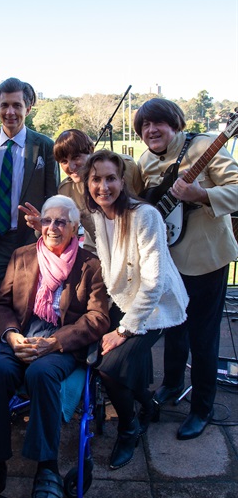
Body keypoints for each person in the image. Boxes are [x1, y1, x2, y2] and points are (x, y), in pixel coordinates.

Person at [0, 195, 110, 498]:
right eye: (47, 220)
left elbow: (98, 317)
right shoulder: (23, 256)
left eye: (61, 221)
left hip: (61, 343)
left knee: (41, 375)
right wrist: (12, 335)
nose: (52, 228)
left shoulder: (90, 265)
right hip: (23, 335)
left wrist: (56, 342)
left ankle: (47, 470)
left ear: (74, 227)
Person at [133, 99, 238, 440]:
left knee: (203, 337)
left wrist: (202, 194)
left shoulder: (205, 146)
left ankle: (202, 407)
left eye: (158, 123)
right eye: (145, 126)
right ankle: (172, 384)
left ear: (174, 124)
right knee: (174, 328)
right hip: (169, 261)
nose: (151, 130)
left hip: (206, 259)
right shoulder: (146, 160)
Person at [83, 150, 189, 469]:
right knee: (96, 355)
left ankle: (129, 429)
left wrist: (123, 330)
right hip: (124, 300)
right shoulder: (100, 216)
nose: (104, 186)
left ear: (123, 180)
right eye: (96, 179)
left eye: (111, 178)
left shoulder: (145, 216)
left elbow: (153, 283)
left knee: (109, 368)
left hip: (155, 308)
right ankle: (148, 404)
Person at [0, 77, 59, 337]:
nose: (10, 112)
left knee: (27, 304)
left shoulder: (44, 146)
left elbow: (52, 196)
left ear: (28, 108)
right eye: (4, 105)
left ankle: (23, 363)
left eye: (17, 105)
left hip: (29, 241)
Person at [20, 128, 141, 253]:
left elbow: (142, 201)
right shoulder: (67, 191)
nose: (71, 166)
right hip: (97, 252)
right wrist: (44, 224)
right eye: (64, 161)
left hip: (133, 247)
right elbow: (68, 231)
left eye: (76, 157)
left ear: (91, 151)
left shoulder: (126, 169)